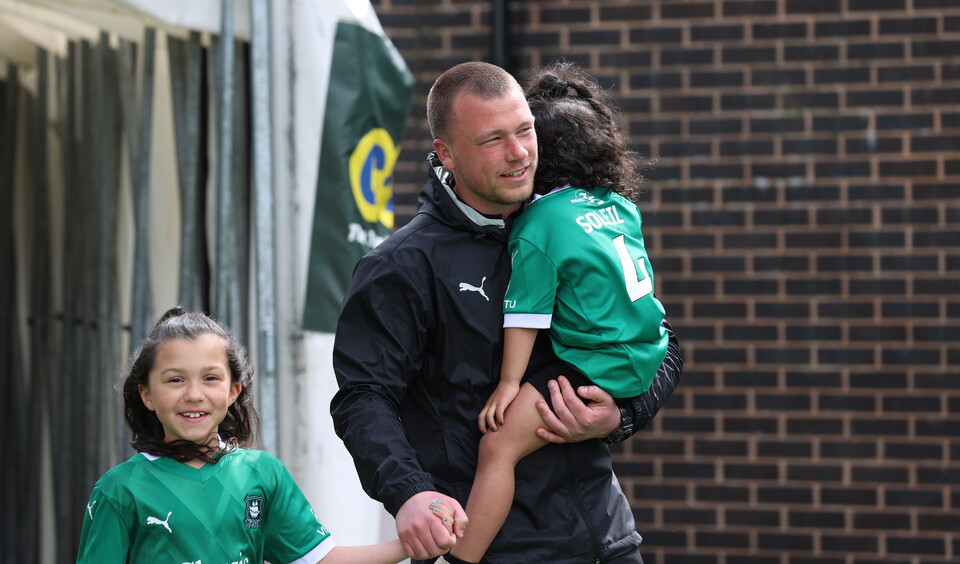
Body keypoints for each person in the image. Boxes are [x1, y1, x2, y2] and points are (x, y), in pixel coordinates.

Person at [331, 61, 683, 564]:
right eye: (493, 140)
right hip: (497, 550)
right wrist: (409, 493)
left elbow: (661, 339)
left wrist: (621, 415)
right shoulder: (400, 266)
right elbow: (364, 398)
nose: (519, 154)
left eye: (525, 131)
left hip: (608, 541)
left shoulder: (572, 221)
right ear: (445, 154)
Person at [447, 62, 670, 564]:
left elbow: (526, 315)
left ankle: (461, 559)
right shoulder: (618, 205)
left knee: (497, 449)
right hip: (645, 349)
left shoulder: (541, 220)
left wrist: (508, 385)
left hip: (595, 363)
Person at [76, 306, 456, 564]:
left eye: (210, 378)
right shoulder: (119, 489)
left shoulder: (262, 474)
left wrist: (410, 544)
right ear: (146, 395)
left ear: (233, 391)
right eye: (175, 379)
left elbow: (320, 559)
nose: (194, 394)